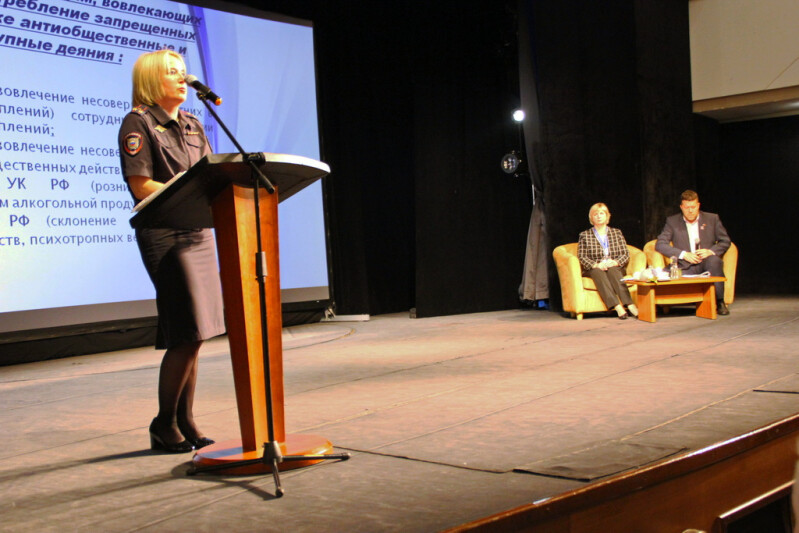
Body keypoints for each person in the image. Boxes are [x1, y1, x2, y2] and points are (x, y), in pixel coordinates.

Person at [118, 49, 226, 453]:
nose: (184, 79)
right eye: (173, 73)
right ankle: (164, 423)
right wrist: (187, 196)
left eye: (184, 72)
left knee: (196, 333)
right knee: (186, 329)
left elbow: (210, 175)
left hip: (198, 232)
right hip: (164, 231)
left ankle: (186, 420)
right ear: (151, 80)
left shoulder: (194, 123)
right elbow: (140, 184)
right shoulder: (138, 123)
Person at [655, 190, 731, 315]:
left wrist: (710, 251)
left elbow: (725, 241)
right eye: (687, 208)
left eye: (693, 207)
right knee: (661, 275)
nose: (690, 211)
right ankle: (660, 304)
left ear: (698, 205)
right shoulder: (672, 221)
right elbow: (660, 244)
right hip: (685, 265)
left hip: (706, 262)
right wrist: (684, 254)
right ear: (681, 207)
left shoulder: (712, 219)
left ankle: (719, 301)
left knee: (715, 261)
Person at [578, 203, 638, 319]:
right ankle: (617, 306)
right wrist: (596, 265)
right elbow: (582, 256)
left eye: (602, 213)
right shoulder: (584, 235)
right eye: (595, 214)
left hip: (614, 265)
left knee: (613, 270)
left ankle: (629, 304)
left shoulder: (616, 233)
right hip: (594, 267)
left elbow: (625, 254)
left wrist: (615, 262)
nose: (599, 216)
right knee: (598, 272)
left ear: (607, 216)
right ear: (591, 217)